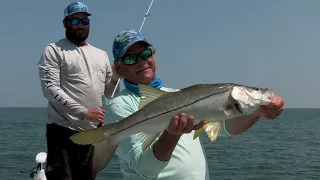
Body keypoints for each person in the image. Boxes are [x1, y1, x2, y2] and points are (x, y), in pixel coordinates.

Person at [105, 29, 284, 180]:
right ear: (118, 68)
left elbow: (225, 128)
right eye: (130, 59)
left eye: (145, 54)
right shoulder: (119, 104)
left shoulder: (176, 95)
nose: (141, 62)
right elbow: (144, 169)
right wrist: (171, 135)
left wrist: (258, 111)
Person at [37, 2, 120, 180]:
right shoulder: (53, 50)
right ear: (65, 23)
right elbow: (50, 89)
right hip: (63, 131)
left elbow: (109, 92)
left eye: (84, 20)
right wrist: (83, 112)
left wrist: (116, 76)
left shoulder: (102, 54)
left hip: (93, 133)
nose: (80, 25)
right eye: (74, 20)